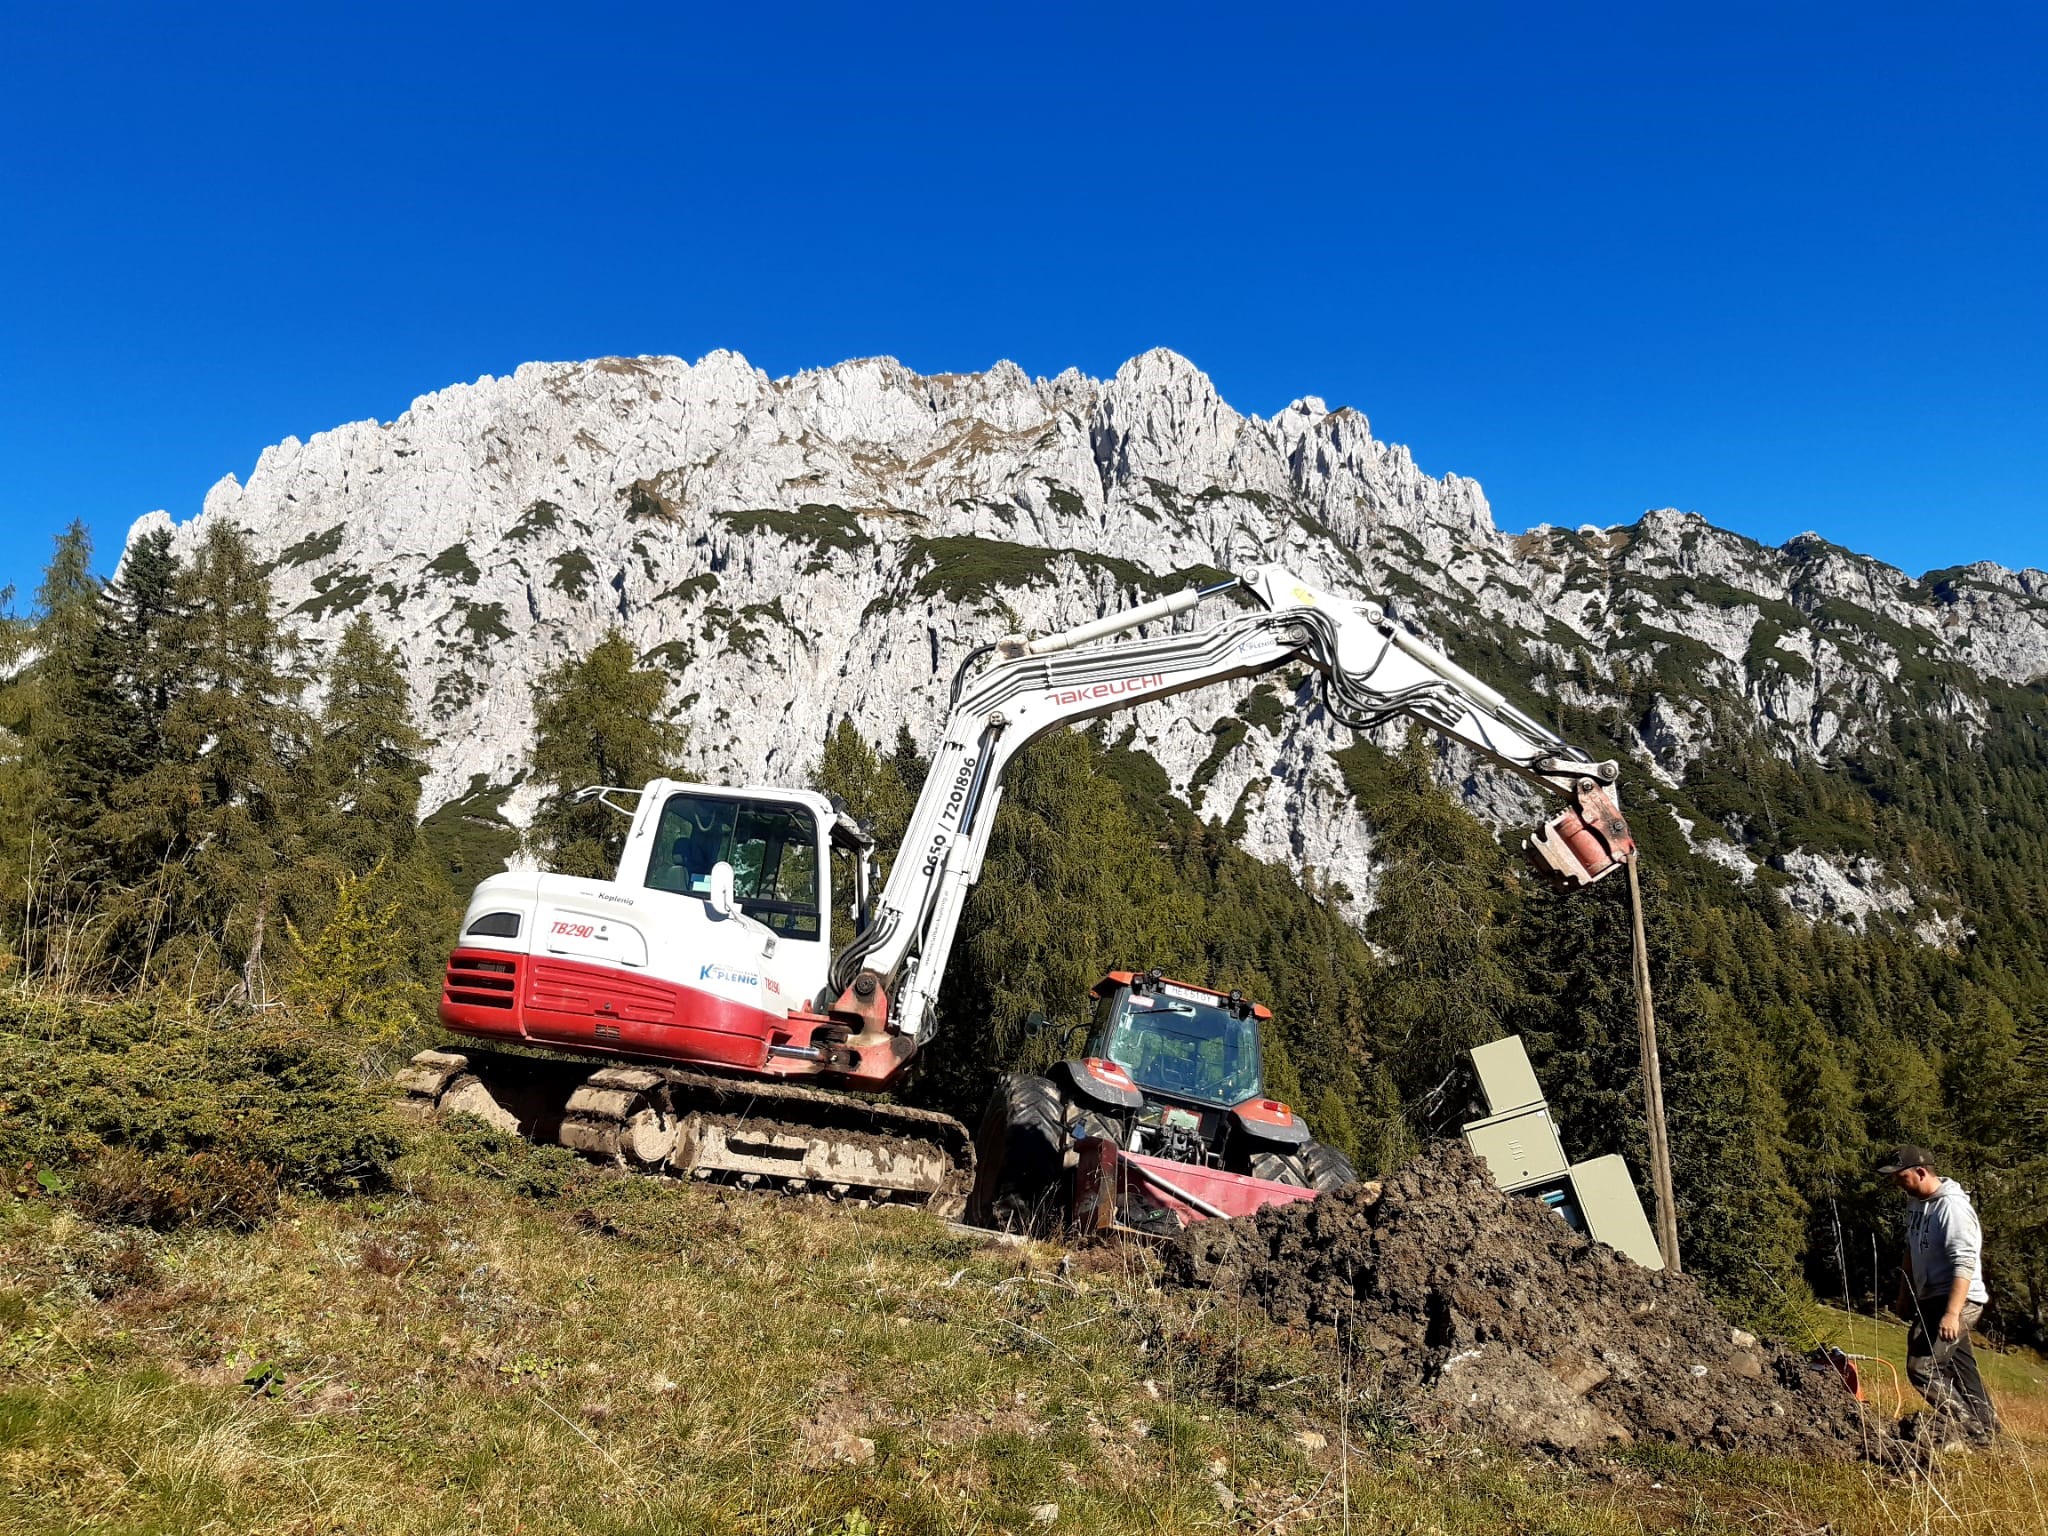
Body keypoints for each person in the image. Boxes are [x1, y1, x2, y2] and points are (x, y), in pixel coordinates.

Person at [1877, 1144, 1999, 1438]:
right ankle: (1988, 1428)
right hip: (1932, 1297)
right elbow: (1910, 1249)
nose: (1896, 1182)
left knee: (1922, 1367)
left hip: (1959, 1298)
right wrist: (1905, 1294)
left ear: (1920, 1172)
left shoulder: (1952, 1208)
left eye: (1900, 1176)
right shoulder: (1916, 1203)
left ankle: (1970, 1431)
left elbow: (1965, 1261)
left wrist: (1952, 1313)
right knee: (1960, 1365)